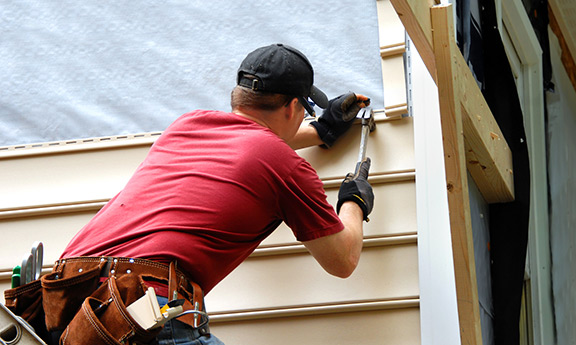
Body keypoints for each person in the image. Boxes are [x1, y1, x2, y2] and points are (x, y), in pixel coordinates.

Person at [52, 43, 374, 344]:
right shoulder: (285, 166)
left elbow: (247, 148)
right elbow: (342, 260)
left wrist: (320, 132)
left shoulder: (186, 126)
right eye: (305, 110)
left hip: (67, 299)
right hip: (139, 306)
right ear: (292, 107)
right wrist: (353, 201)